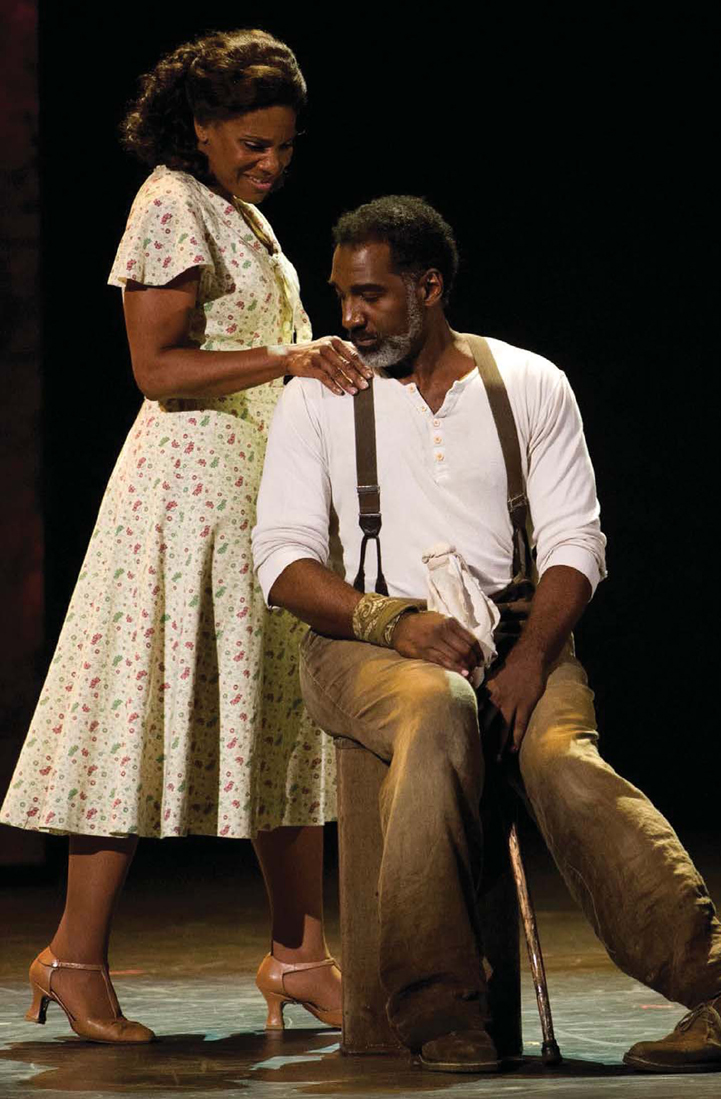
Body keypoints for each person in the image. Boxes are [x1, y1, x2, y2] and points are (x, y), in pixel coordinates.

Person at [251, 195, 721, 1075]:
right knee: (435, 708)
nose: (347, 316)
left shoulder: (529, 383)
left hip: (511, 631)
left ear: (430, 287)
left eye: (371, 296)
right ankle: (439, 1010)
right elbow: (282, 563)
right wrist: (396, 620)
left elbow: (578, 542)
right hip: (365, 640)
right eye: (341, 294)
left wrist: (531, 660)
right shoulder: (319, 397)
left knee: (566, 765)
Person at [0, 29, 372, 1043]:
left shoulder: (240, 217)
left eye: (283, 146)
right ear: (199, 125)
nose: (269, 162)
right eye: (251, 143)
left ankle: (300, 956)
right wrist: (288, 359)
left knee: (282, 718)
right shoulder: (168, 201)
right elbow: (157, 370)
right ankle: (72, 957)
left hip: (253, 502)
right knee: (140, 717)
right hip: (182, 501)